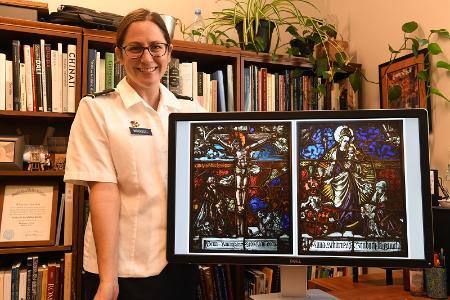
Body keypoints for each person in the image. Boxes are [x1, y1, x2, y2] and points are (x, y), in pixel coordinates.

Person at [64, 9, 204, 300]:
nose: (147, 58)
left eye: (156, 47)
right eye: (135, 48)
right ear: (119, 54)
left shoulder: (191, 113)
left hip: (179, 265)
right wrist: (107, 280)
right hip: (122, 269)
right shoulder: (97, 110)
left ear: (169, 51)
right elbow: (103, 193)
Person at [323, 125, 374, 236]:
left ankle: (351, 220)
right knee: (342, 202)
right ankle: (341, 221)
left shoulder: (352, 151)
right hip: (338, 182)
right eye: (344, 140)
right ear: (340, 140)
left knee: (352, 196)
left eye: (348, 140)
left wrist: (352, 166)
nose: (346, 142)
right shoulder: (334, 152)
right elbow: (330, 166)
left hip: (350, 180)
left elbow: (359, 167)